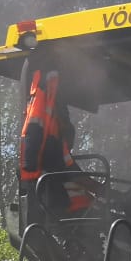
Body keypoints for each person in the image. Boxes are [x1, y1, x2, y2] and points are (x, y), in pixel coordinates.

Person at [20, 67, 99, 216]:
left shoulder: (45, 148)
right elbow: (78, 177)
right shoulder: (57, 148)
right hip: (72, 214)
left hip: (64, 211)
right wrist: (105, 190)